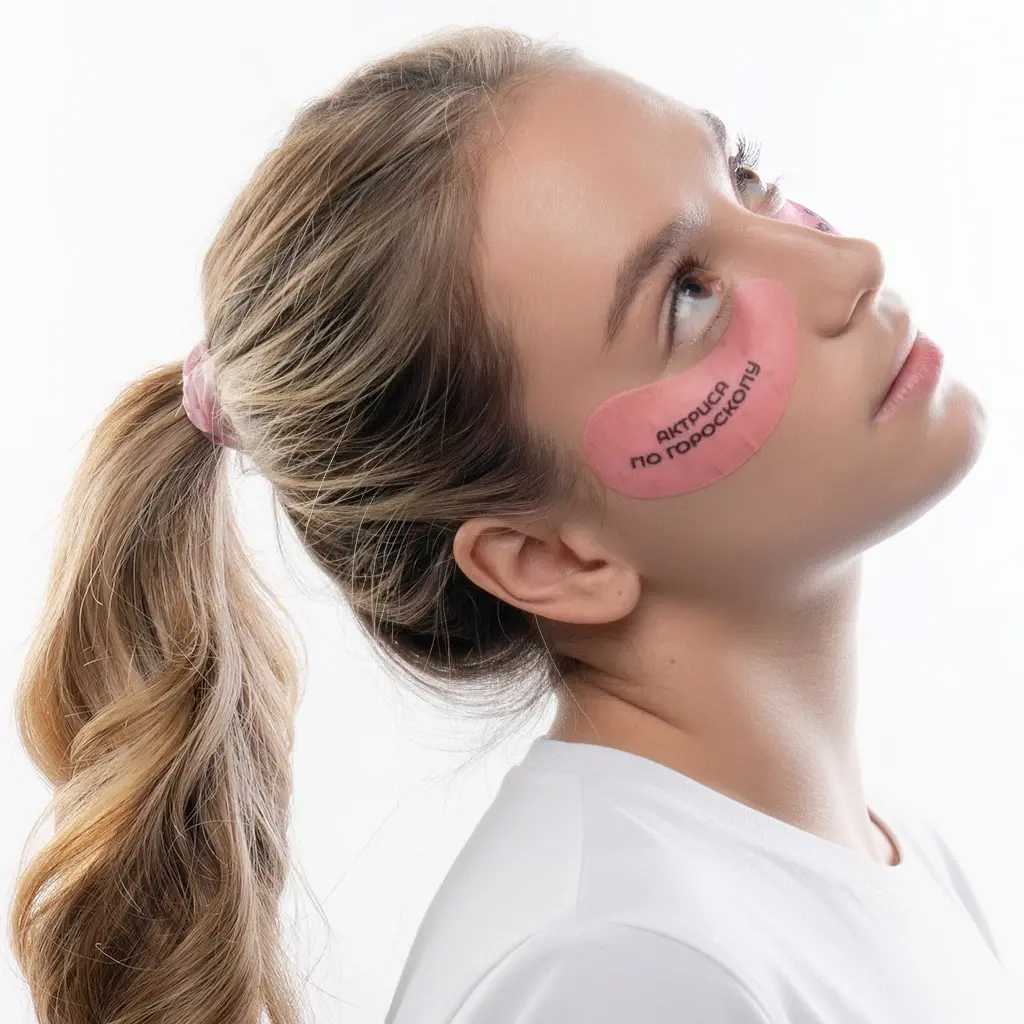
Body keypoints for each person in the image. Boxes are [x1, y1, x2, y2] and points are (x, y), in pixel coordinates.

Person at [8, 24, 1015, 1024]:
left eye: (745, 178)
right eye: (687, 299)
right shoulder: (623, 969)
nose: (849, 264)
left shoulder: (871, 861)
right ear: (550, 558)